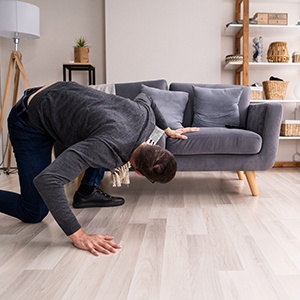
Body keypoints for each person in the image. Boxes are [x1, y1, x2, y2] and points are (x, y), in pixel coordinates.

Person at [0, 81, 199, 256]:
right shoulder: (105, 147)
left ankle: (85, 192)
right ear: (138, 172)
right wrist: (78, 235)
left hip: (57, 95)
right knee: (33, 211)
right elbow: (48, 180)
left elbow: (147, 97)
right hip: (29, 121)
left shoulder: (145, 117)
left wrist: (167, 130)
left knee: (91, 153)